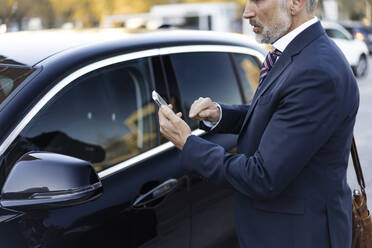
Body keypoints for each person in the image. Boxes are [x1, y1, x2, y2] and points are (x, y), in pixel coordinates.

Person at [158, 0, 359, 247]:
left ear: (296, 3)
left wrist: (188, 143)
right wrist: (221, 114)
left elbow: (262, 176)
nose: (246, 12)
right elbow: (278, 115)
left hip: (298, 237)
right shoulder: (299, 53)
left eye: (258, 0)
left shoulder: (317, 71)